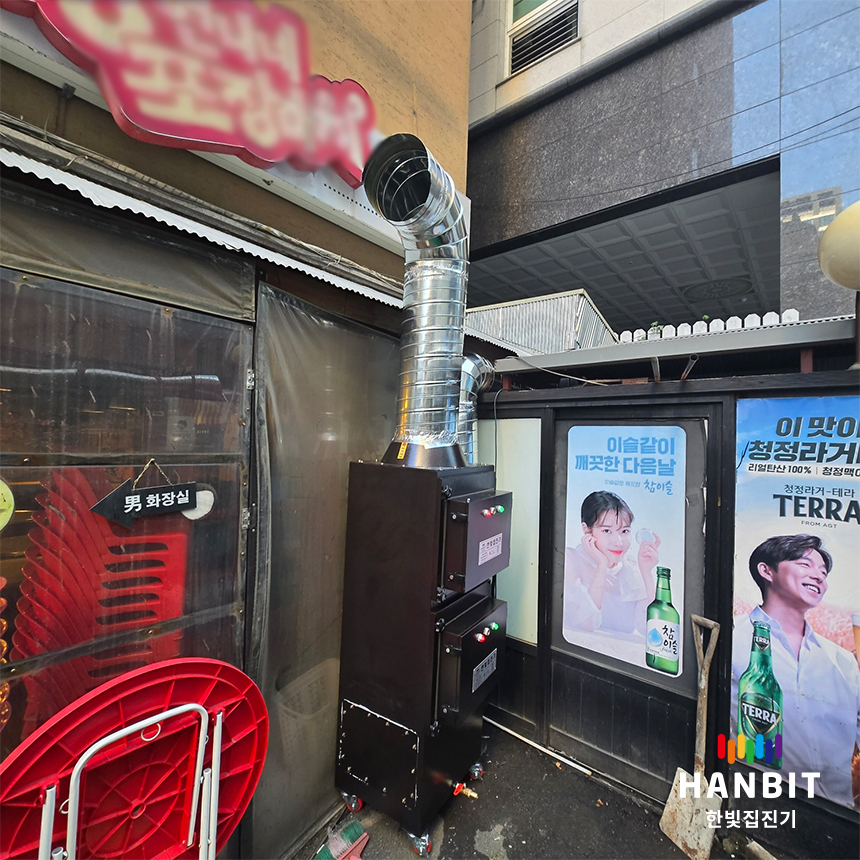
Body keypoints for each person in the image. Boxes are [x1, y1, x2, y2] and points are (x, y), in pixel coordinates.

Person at [731, 534, 860, 808]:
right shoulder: (732, 637)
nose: (819, 577)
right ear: (767, 571)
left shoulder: (842, 661)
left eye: (823, 572)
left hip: (837, 812)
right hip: (758, 801)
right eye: (805, 565)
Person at [563, 491, 660, 635]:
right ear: (587, 530)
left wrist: (646, 573)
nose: (618, 542)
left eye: (624, 531)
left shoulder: (630, 568)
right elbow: (587, 624)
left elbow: (651, 629)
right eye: (607, 531)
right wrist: (601, 566)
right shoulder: (571, 560)